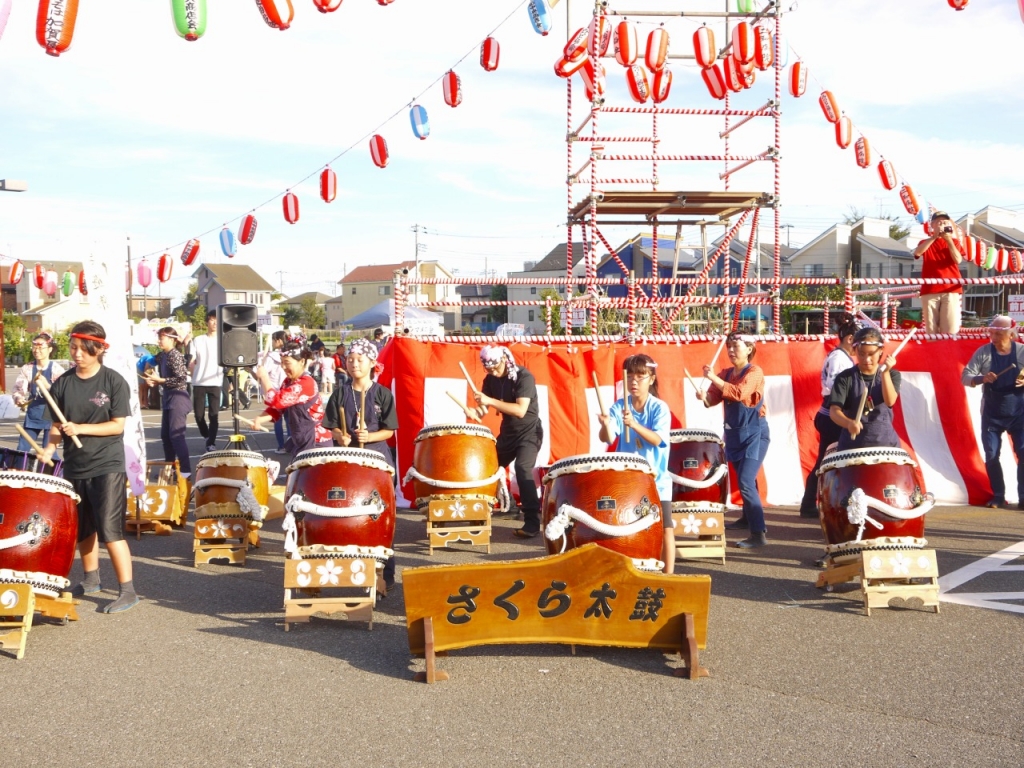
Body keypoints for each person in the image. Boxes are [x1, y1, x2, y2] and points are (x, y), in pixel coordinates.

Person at [40, 321, 138, 613]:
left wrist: (81, 428)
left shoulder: (113, 382)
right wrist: (49, 449)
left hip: (107, 463)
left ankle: (128, 591)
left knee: (110, 530)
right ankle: (91, 579)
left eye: (83, 350)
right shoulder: (64, 383)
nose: (77, 355)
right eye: (73, 348)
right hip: (75, 466)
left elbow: (116, 426)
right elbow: (57, 425)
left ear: (98, 350)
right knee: (82, 529)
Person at [322, 337, 399, 588]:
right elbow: (331, 425)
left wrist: (370, 436)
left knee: (380, 517)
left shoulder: (382, 394)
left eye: (359, 360)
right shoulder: (340, 393)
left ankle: (384, 574)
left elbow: (389, 431)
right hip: (347, 462)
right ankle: (347, 567)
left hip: (376, 462)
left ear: (372, 362)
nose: (354, 364)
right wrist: (340, 435)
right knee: (347, 515)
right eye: (350, 359)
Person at [597, 354, 675, 573]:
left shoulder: (659, 408)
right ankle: (630, 574)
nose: (633, 381)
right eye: (629, 376)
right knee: (625, 526)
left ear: (651, 379)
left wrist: (634, 424)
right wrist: (605, 425)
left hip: (656, 480)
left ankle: (669, 578)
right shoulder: (620, 406)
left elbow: (658, 439)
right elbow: (608, 437)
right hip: (628, 480)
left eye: (640, 376)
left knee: (665, 528)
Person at [697, 333, 771, 549]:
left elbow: (739, 393)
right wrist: (704, 397)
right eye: (728, 346)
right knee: (746, 480)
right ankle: (747, 519)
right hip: (735, 434)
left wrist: (713, 379)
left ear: (749, 348)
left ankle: (758, 533)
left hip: (755, 433)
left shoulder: (755, 372)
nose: (730, 350)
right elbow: (712, 400)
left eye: (735, 346)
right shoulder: (726, 373)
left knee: (747, 481)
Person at [473, 345, 543, 539]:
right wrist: (474, 412)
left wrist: (490, 401)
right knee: (487, 467)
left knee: (522, 468)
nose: (494, 372)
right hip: (508, 433)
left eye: (496, 368)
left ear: (505, 359)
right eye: (489, 370)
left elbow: (521, 410)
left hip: (530, 432)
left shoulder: (524, 377)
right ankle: (508, 505)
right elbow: (483, 409)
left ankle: (532, 522)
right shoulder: (490, 379)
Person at [961, 315, 1024, 509]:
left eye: (999, 334)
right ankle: (998, 495)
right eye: (992, 333)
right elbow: (965, 376)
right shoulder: (984, 352)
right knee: (991, 454)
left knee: (1023, 452)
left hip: (1019, 411)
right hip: (992, 412)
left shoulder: (1021, 352)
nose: (994, 338)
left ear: (1011, 334)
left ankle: (1023, 497)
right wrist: (981, 379)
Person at [798, 320, 858, 518]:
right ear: (850, 339)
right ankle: (813, 503)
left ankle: (818, 502)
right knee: (828, 460)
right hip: (833, 415)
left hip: (832, 414)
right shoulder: (839, 359)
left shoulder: (839, 357)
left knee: (828, 460)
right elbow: (836, 390)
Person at [828, 326, 901, 451]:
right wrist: (848, 423)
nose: (866, 359)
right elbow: (834, 411)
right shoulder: (845, 377)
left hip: (886, 445)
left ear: (881, 351)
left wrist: (885, 373)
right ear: (855, 350)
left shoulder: (892, 374)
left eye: (871, 354)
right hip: (852, 448)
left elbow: (890, 401)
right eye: (861, 354)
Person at [252, 341, 328, 457]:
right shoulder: (287, 382)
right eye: (282, 363)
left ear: (302, 361)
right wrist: (259, 419)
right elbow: (278, 409)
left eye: (287, 363)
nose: (283, 367)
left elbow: (277, 401)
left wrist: (265, 378)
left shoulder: (306, 383)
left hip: (316, 442)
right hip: (301, 439)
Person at [143, 327, 192, 480]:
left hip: (178, 397)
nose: (159, 341)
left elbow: (181, 378)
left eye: (161, 338)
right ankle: (170, 469)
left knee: (176, 436)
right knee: (165, 436)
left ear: (172, 339)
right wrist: (152, 380)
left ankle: (185, 472)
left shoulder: (175, 355)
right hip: (168, 397)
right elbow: (148, 366)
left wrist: (160, 380)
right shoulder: (163, 355)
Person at [12, 332, 66, 458]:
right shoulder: (28, 368)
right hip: (33, 414)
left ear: (50, 349)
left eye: (41, 348)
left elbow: (64, 392)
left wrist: (48, 386)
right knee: (21, 450)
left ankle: (56, 475)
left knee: (49, 452)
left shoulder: (57, 369)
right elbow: (19, 387)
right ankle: (20, 475)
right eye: (34, 347)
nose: (37, 350)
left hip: (52, 416)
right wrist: (19, 398)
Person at [912, 210, 965, 334]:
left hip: (951, 288)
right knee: (931, 329)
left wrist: (948, 240)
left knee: (951, 329)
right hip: (930, 289)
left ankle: (949, 352)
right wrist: (934, 236)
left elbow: (958, 259)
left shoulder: (955, 242)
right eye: (939, 222)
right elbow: (917, 253)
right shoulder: (925, 242)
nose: (942, 224)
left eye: (945, 222)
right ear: (932, 225)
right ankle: (932, 352)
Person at [189, 310, 223, 452]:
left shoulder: (223, 340)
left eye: (217, 320)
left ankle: (211, 442)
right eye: (212, 320)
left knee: (214, 415)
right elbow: (190, 359)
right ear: (207, 322)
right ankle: (207, 435)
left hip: (216, 381)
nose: (214, 323)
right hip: (199, 382)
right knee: (198, 415)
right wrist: (190, 372)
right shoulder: (198, 340)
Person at [259, 331, 289, 454]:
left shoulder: (272, 357)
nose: (272, 343)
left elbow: (263, 372)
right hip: (288, 389)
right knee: (290, 419)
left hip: (275, 390)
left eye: (273, 340)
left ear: (278, 341)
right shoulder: (290, 354)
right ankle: (291, 444)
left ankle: (282, 446)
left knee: (277, 419)